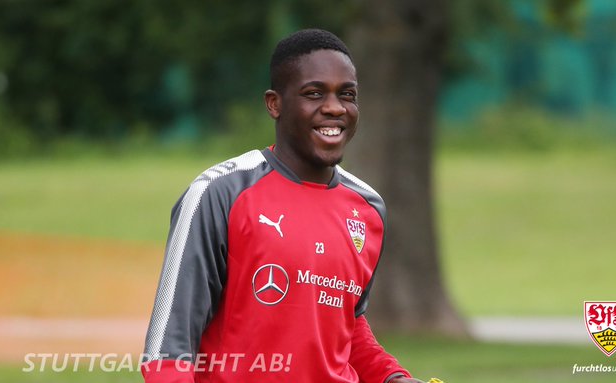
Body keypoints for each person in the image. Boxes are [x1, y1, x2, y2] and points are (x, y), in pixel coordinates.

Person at [141, 28, 424, 383]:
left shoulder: (367, 208)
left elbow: (344, 328)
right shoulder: (219, 193)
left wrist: (392, 378)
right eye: (314, 93)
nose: (335, 107)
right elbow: (168, 354)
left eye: (347, 95)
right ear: (274, 103)